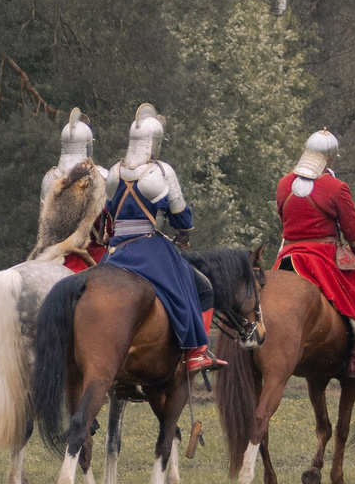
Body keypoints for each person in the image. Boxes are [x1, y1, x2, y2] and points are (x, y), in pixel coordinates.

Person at [99, 104, 220, 373]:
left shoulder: (114, 171)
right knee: (196, 287)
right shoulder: (160, 171)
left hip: (117, 250)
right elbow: (181, 215)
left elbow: (107, 211)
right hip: (149, 247)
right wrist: (183, 234)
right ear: (154, 143)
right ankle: (196, 352)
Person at [274, 128, 355, 379]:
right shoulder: (336, 188)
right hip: (321, 258)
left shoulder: (283, 184)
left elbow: (283, 219)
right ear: (331, 158)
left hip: (288, 256)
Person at [33, 107, 109, 270]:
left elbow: (43, 222)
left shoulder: (50, 177)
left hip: (52, 255)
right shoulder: (101, 177)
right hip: (90, 255)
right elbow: (109, 228)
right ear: (88, 145)